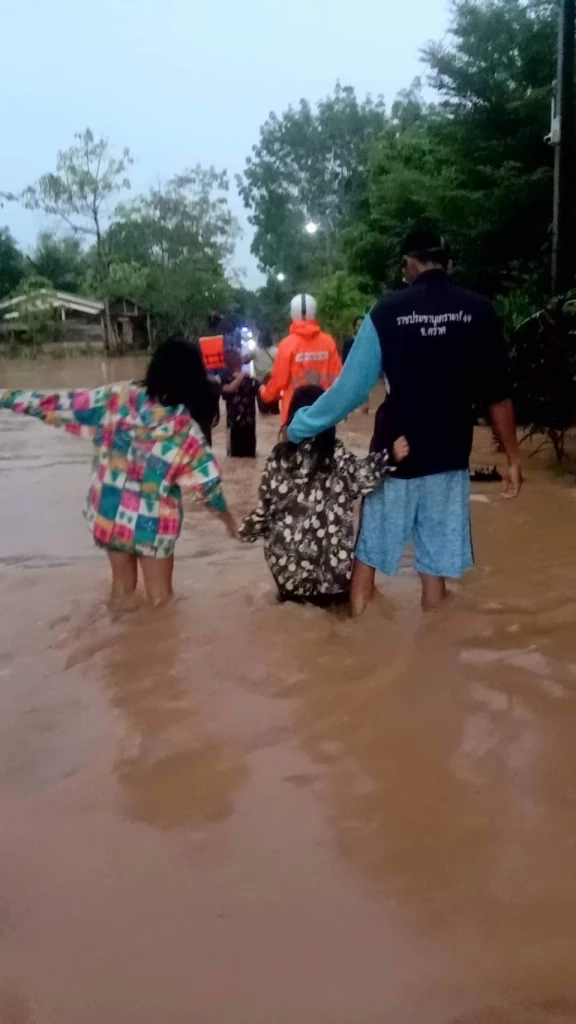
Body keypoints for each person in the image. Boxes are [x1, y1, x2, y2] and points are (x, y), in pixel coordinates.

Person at [287, 230, 522, 615]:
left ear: (410, 264)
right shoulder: (477, 311)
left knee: (369, 557)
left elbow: (349, 390)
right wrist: (512, 456)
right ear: (448, 263)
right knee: (434, 570)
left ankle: (361, 639)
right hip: (448, 458)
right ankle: (432, 656)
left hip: (395, 459)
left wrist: (300, 426)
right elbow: (498, 395)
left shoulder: (387, 311)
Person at [0, 335, 236, 609]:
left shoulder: (116, 396)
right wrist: (230, 522)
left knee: (121, 590)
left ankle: (117, 640)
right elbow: (209, 490)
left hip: (111, 515)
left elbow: (57, 403)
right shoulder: (185, 431)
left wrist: (4, 397)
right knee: (161, 602)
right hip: (153, 525)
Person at [239, 385, 408, 607]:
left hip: (288, 578)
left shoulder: (278, 459)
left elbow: (266, 510)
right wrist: (391, 457)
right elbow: (365, 475)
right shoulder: (336, 456)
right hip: (332, 581)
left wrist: (243, 531)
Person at [259, 294, 342, 425]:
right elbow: (338, 378)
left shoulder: (287, 344)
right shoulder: (328, 342)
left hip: (294, 415)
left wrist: (265, 394)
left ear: (292, 314)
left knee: (288, 444)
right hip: (324, 412)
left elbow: (279, 381)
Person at [221, 350, 260, 458]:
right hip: (250, 424)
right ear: (241, 362)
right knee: (250, 457)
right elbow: (263, 393)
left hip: (234, 425)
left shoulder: (226, 379)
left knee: (234, 457)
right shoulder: (251, 380)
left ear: (226, 364)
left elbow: (228, 390)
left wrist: (239, 377)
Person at [343, 315, 370, 414]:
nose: (360, 327)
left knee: (364, 410)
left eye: (362, 325)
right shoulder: (348, 342)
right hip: (351, 376)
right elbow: (344, 360)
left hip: (364, 377)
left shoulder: (369, 342)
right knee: (350, 407)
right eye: (358, 325)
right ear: (355, 327)